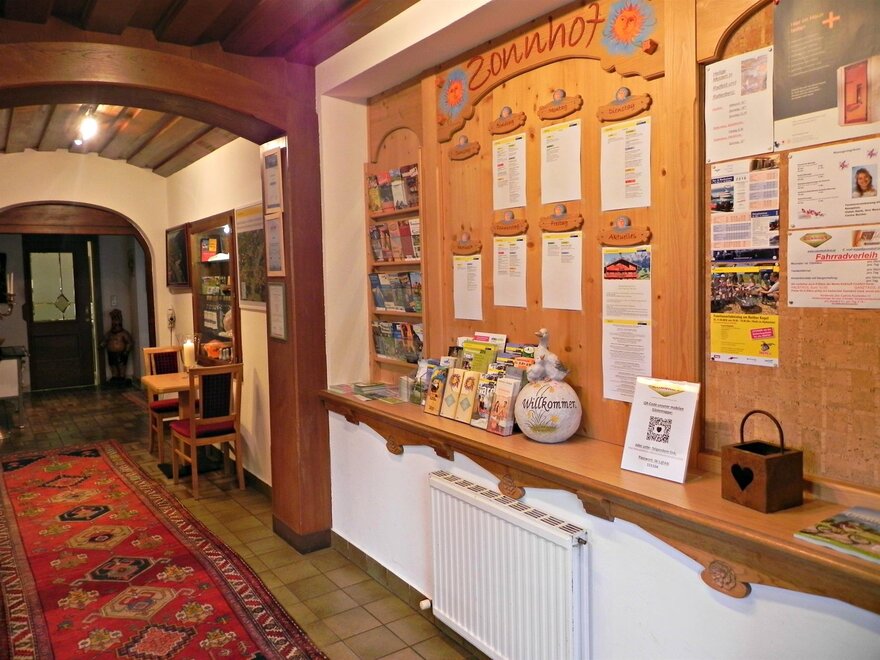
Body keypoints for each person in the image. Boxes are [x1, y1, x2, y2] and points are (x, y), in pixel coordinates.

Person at [102, 308, 133, 382]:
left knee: (121, 365)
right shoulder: (109, 333)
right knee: (113, 365)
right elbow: (105, 341)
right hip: (111, 353)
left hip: (121, 353)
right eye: (114, 324)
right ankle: (114, 377)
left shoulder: (124, 333)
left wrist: (126, 351)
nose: (116, 326)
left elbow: (129, 342)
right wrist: (102, 344)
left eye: (117, 324)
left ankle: (122, 377)